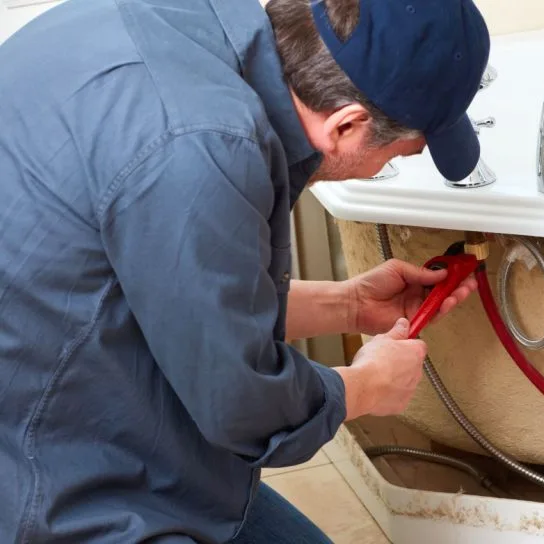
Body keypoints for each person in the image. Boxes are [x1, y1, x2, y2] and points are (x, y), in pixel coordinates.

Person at [0, 0, 490, 541]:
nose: (389, 165)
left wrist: (347, 305)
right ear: (348, 125)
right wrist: (369, 386)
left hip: (76, 396)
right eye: (404, 151)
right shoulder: (202, 149)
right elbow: (243, 407)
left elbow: (161, 298)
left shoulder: (173, 26)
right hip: (58, 485)